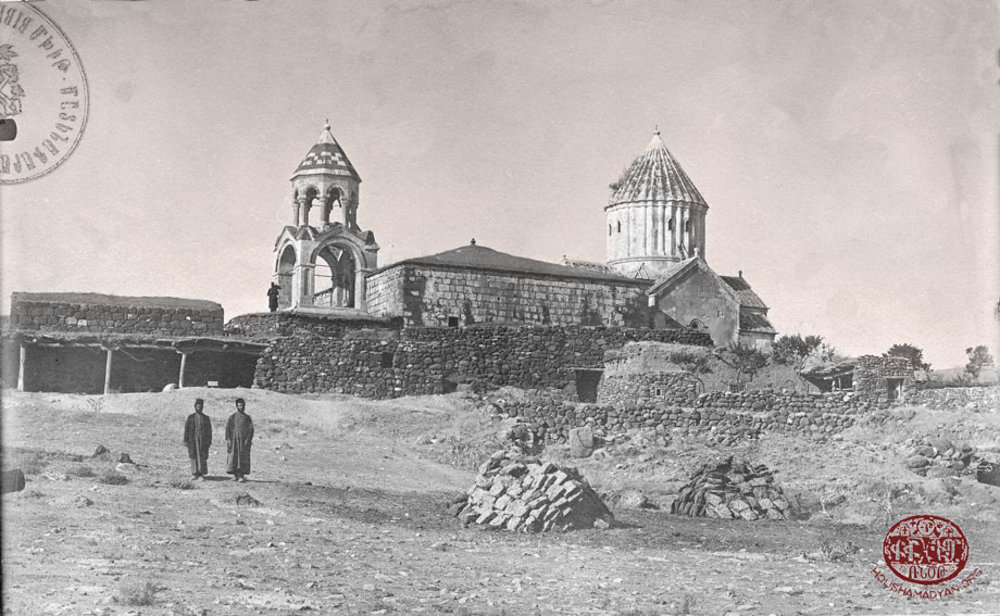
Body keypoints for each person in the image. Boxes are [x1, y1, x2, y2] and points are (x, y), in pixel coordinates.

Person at [225, 398, 254, 482]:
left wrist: (248, 440)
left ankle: (241, 475)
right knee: (233, 457)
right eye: (239, 405)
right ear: (236, 406)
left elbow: (251, 430)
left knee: (242, 458)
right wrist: (228, 440)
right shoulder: (232, 417)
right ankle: (235, 475)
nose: (241, 407)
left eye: (242, 405)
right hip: (234, 441)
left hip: (243, 441)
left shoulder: (247, 418)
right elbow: (227, 429)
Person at [183, 398, 212, 480]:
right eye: (197, 406)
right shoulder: (191, 417)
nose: (199, 408)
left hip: (203, 440)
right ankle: (194, 474)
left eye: (200, 406)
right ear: (195, 407)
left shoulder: (206, 418)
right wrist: (185, 440)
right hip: (193, 440)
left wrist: (209, 441)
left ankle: (201, 474)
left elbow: (209, 431)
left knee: (202, 456)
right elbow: (187, 429)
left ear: (202, 407)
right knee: (193, 456)